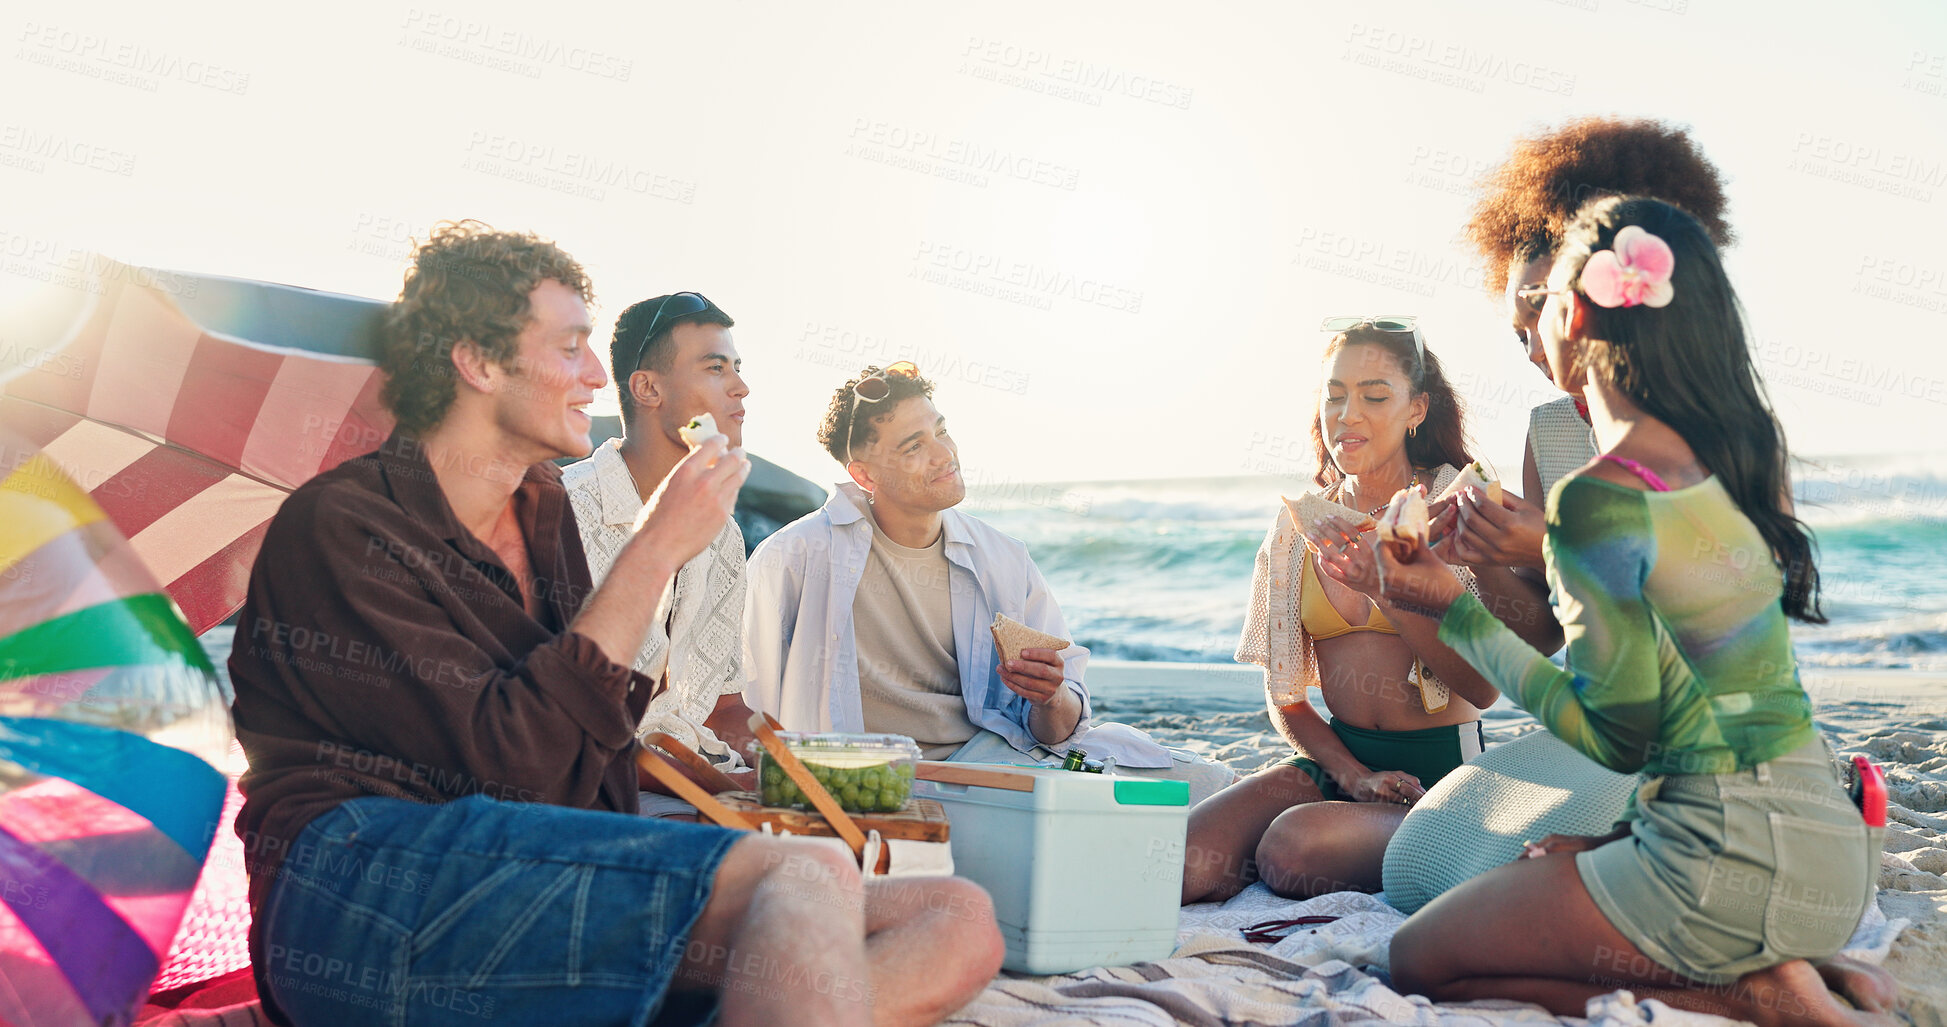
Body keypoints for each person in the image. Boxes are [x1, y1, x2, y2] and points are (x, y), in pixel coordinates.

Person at [230, 222, 1001, 1027]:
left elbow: (581, 768)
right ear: (478, 361)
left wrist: (715, 815)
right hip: (359, 892)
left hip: (532, 876)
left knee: (954, 918)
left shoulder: (542, 512)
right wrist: (656, 548)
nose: (596, 375)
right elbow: (513, 768)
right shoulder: (345, 525)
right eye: (569, 348)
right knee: (804, 880)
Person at [1382, 197, 1898, 1023]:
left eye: (1541, 304)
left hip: (1719, 867)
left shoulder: (1597, 499)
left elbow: (1611, 736)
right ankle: (1793, 971)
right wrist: (1601, 842)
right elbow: (1690, 703)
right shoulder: (1736, 455)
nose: (1529, 329)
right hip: (1835, 861)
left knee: (1412, 959)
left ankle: (1758, 994)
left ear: (1576, 313)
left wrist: (1454, 608)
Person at [1182, 319, 1550, 904]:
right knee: (1182, 863)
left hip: (1443, 775)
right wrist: (1353, 777)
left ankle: (1453, 843)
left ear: (1416, 410)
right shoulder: (1295, 528)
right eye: (1334, 396)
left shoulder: (1456, 504)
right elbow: (1288, 699)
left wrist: (1387, 591)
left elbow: (1481, 688)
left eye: (1374, 396)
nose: (1347, 415)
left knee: (1291, 850)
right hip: (1340, 763)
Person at [743, 363, 1231, 799]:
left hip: (998, 762)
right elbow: (748, 706)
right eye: (915, 446)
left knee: (1207, 784)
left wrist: (1050, 695)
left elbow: (1058, 729)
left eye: (942, 431)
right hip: (879, 786)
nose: (943, 454)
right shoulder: (794, 557)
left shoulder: (1002, 557)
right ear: (864, 475)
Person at [1445, 116, 1735, 570]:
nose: (1535, 349)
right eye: (1520, 335)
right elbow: (1545, 623)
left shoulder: (1726, 430)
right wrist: (1449, 571)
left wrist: (1550, 546)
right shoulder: (1546, 432)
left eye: (1542, 309)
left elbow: (1708, 596)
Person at [563, 291, 764, 817]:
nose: (741, 387)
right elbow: (562, 725)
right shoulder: (565, 512)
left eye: (737, 368)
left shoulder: (724, 534)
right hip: (592, 798)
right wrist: (724, 787)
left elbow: (722, 709)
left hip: (691, 784)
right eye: (715, 367)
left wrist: (794, 760)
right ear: (648, 387)